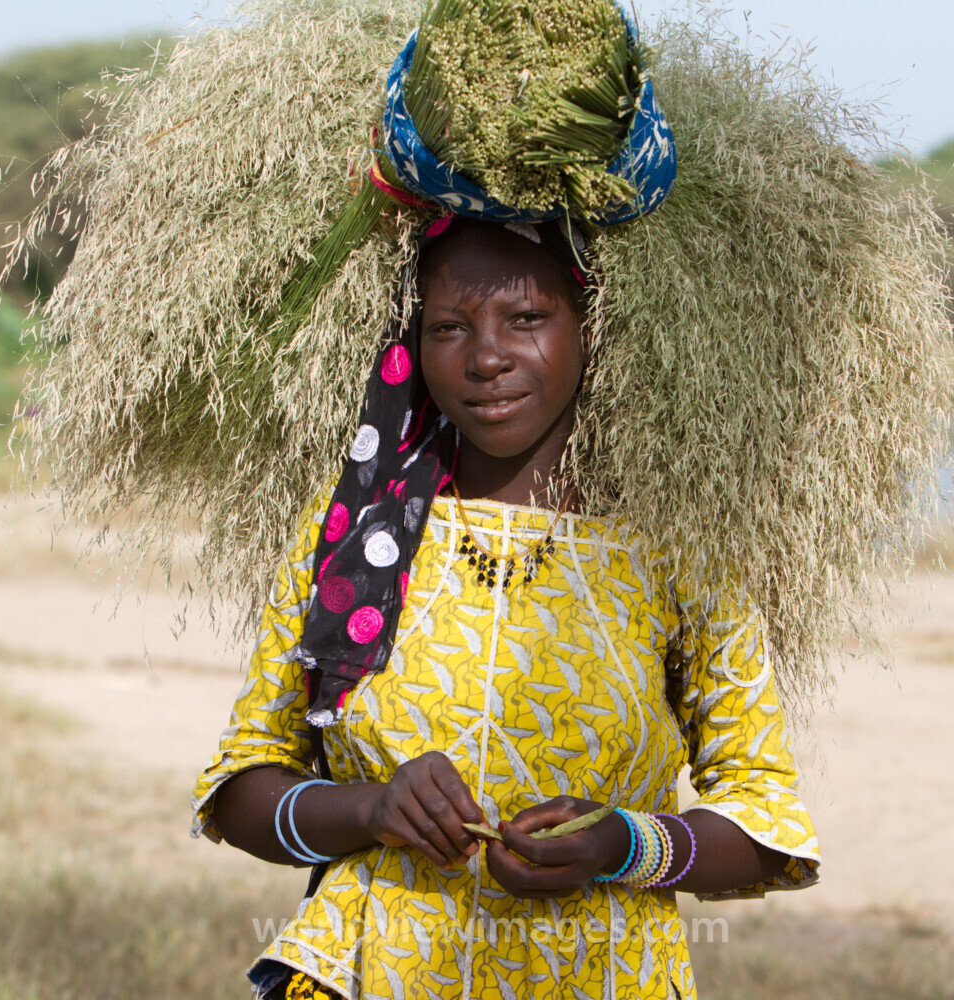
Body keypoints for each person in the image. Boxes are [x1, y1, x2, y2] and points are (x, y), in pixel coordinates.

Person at [190, 216, 819, 1000]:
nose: (487, 357)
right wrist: (369, 808)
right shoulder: (356, 524)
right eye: (448, 327)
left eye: (526, 318)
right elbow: (240, 789)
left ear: (594, 326)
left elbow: (767, 825)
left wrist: (623, 845)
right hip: (360, 976)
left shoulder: (678, 546)